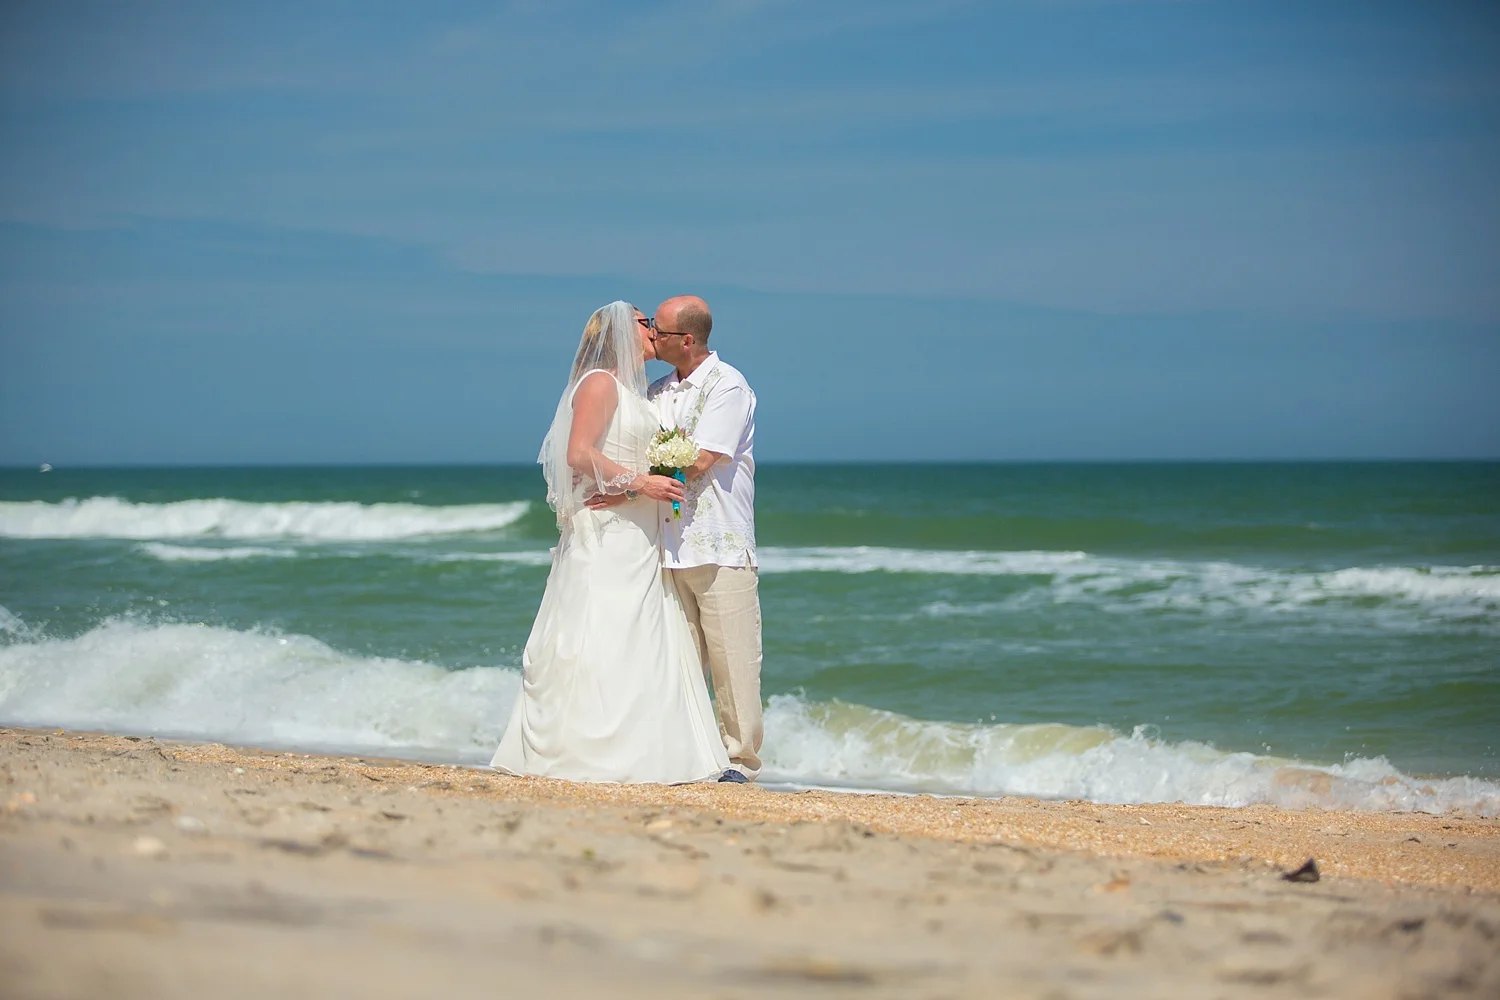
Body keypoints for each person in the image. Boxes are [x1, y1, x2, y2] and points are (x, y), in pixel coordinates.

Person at [490, 301, 729, 784]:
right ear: (623, 331)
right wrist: (642, 484)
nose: (654, 332)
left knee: (638, 637)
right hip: (610, 537)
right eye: (646, 324)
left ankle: (650, 752)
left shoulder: (634, 392)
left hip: (639, 533)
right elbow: (579, 453)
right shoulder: (598, 383)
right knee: (603, 631)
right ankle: (586, 752)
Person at [644, 295, 763, 783]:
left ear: (686, 340)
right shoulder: (656, 389)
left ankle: (739, 760)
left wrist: (636, 477)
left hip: (719, 541)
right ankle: (687, 754)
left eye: (660, 330)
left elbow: (699, 460)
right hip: (666, 543)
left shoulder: (727, 386)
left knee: (734, 658)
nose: (652, 335)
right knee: (680, 657)